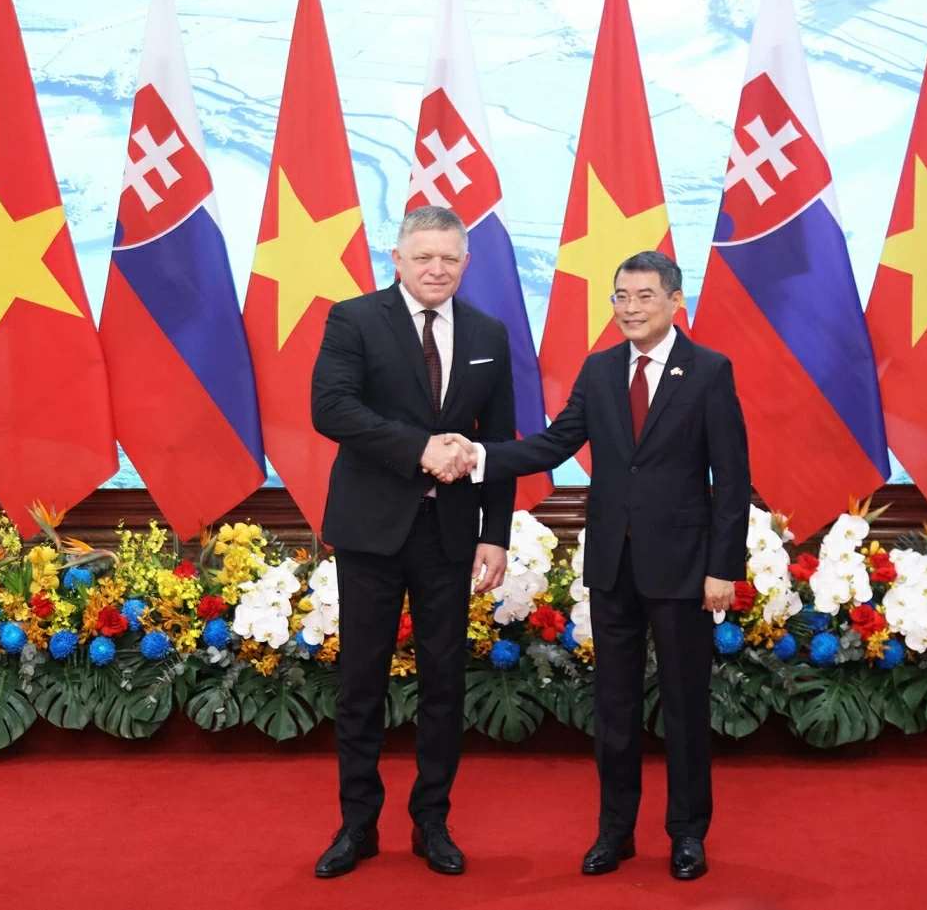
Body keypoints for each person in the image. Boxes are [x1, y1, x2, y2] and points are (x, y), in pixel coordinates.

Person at [438, 250, 750, 881]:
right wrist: (481, 456)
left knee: (686, 705)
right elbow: (556, 443)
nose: (629, 309)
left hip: (685, 565)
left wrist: (725, 568)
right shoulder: (600, 369)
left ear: (674, 302)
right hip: (611, 563)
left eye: (642, 297)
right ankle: (616, 832)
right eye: (620, 297)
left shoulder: (709, 371)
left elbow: (733, 478)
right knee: (613, 705)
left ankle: (687, 834)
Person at [310, 205, 516, 878]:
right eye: (422, 256)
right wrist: (419, 448)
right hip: (371, 529)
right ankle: (357, 824)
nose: (436, 268)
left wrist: (495, 533)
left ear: (465, 263)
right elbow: (332, 408)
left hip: (450, 534)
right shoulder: (354, 319)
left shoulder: (488, 331)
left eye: (448, 258)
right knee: (362, 679)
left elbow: (503, 442)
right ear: (395, 259)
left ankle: (432, 821)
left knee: (444, 682)